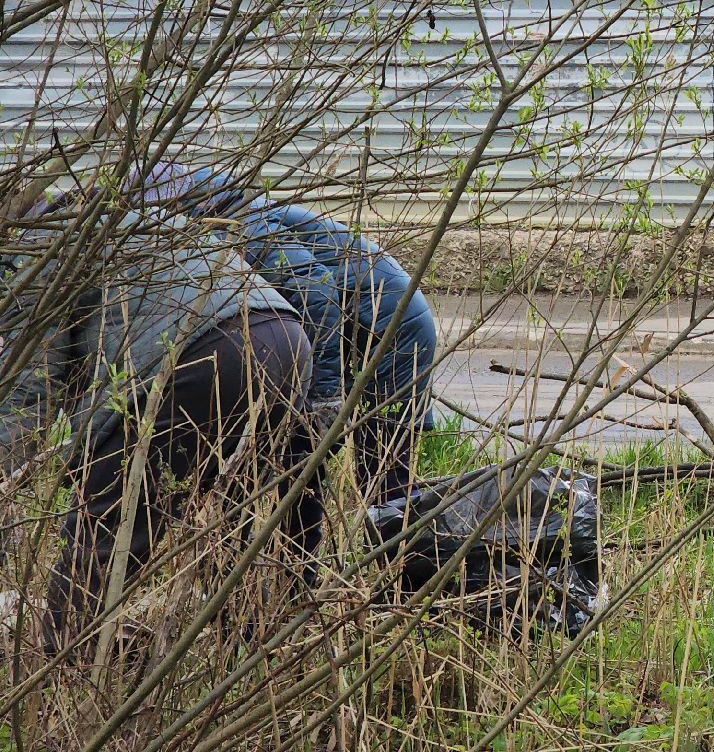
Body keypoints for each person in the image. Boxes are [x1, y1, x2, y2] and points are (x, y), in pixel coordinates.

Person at [0, 193, 319, 647]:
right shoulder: (126, 217)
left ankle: (65, 665)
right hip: (285, 340)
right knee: (221, 523)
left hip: (201, 355)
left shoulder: (42, 253)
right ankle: (253, 652)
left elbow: (29, 394)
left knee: (104, 529)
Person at [142, 166, 438, 503]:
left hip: (391, 327)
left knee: (380, 468)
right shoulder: (231, 216)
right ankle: (304, 535)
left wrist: (325, 395)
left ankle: (398, 532)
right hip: (359, 322)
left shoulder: (241, 227)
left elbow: (317, 293)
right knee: (301, 449)